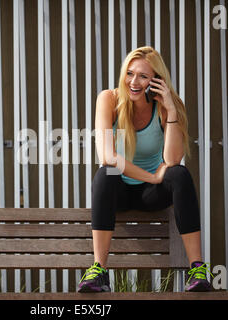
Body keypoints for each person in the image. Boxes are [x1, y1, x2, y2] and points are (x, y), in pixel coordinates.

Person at [77, 46, 211, 293]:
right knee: (105, 174)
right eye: (130, 73)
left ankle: (197, 269)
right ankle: (98, 271)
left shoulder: (167, 105)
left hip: (152, 194)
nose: (134, 82)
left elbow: (172, 160)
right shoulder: (109, 99)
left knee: (179, 174)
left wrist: (170, 111)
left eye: (143, 76)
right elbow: (107, 156)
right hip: (120, 191)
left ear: (156, 80)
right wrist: (152, 175)